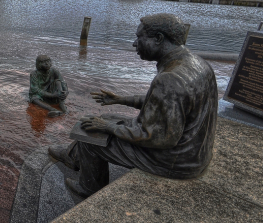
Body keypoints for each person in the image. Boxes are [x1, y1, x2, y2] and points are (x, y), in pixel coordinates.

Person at [48, 13, 218, 199]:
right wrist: (120, 99)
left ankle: (88, 188)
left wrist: (108, 128)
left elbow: (157, 138)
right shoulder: (196, 63)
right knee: (102, 120)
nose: (134, 44)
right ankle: (73, 156)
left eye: (139, 37)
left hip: (173, 161)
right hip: (194, 154)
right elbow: (164, 104)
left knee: (91, 138)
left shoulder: (169, 79)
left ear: (159, 39)